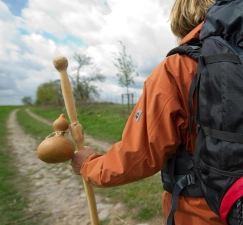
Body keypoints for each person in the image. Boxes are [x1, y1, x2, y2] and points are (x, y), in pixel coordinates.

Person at [70, 0, 223, 224]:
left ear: (182, 20)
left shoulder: (178, 68)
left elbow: (137, 156)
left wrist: (88, 165)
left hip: (202, 214)